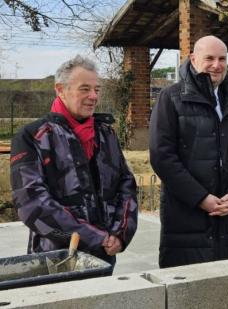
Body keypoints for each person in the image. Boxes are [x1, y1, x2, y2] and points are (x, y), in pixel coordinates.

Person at [10, 55, 138, 273]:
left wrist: (119, 234)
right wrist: (93, 237)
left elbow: (126, 184)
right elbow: (31, 203)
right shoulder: (32, 136)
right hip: (55, 259)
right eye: (84, 89)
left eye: (97, 89)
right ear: (60, 90)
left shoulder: (106, 134)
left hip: (105, 256)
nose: (93, 96)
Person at [150, 35, 228, 267]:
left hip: (226, 218)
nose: (217, 65)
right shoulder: (171, 98)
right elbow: (162, 157)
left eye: (222, 59)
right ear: (193, 59)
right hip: (185, 219)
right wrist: (201, 198)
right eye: (209, 58)